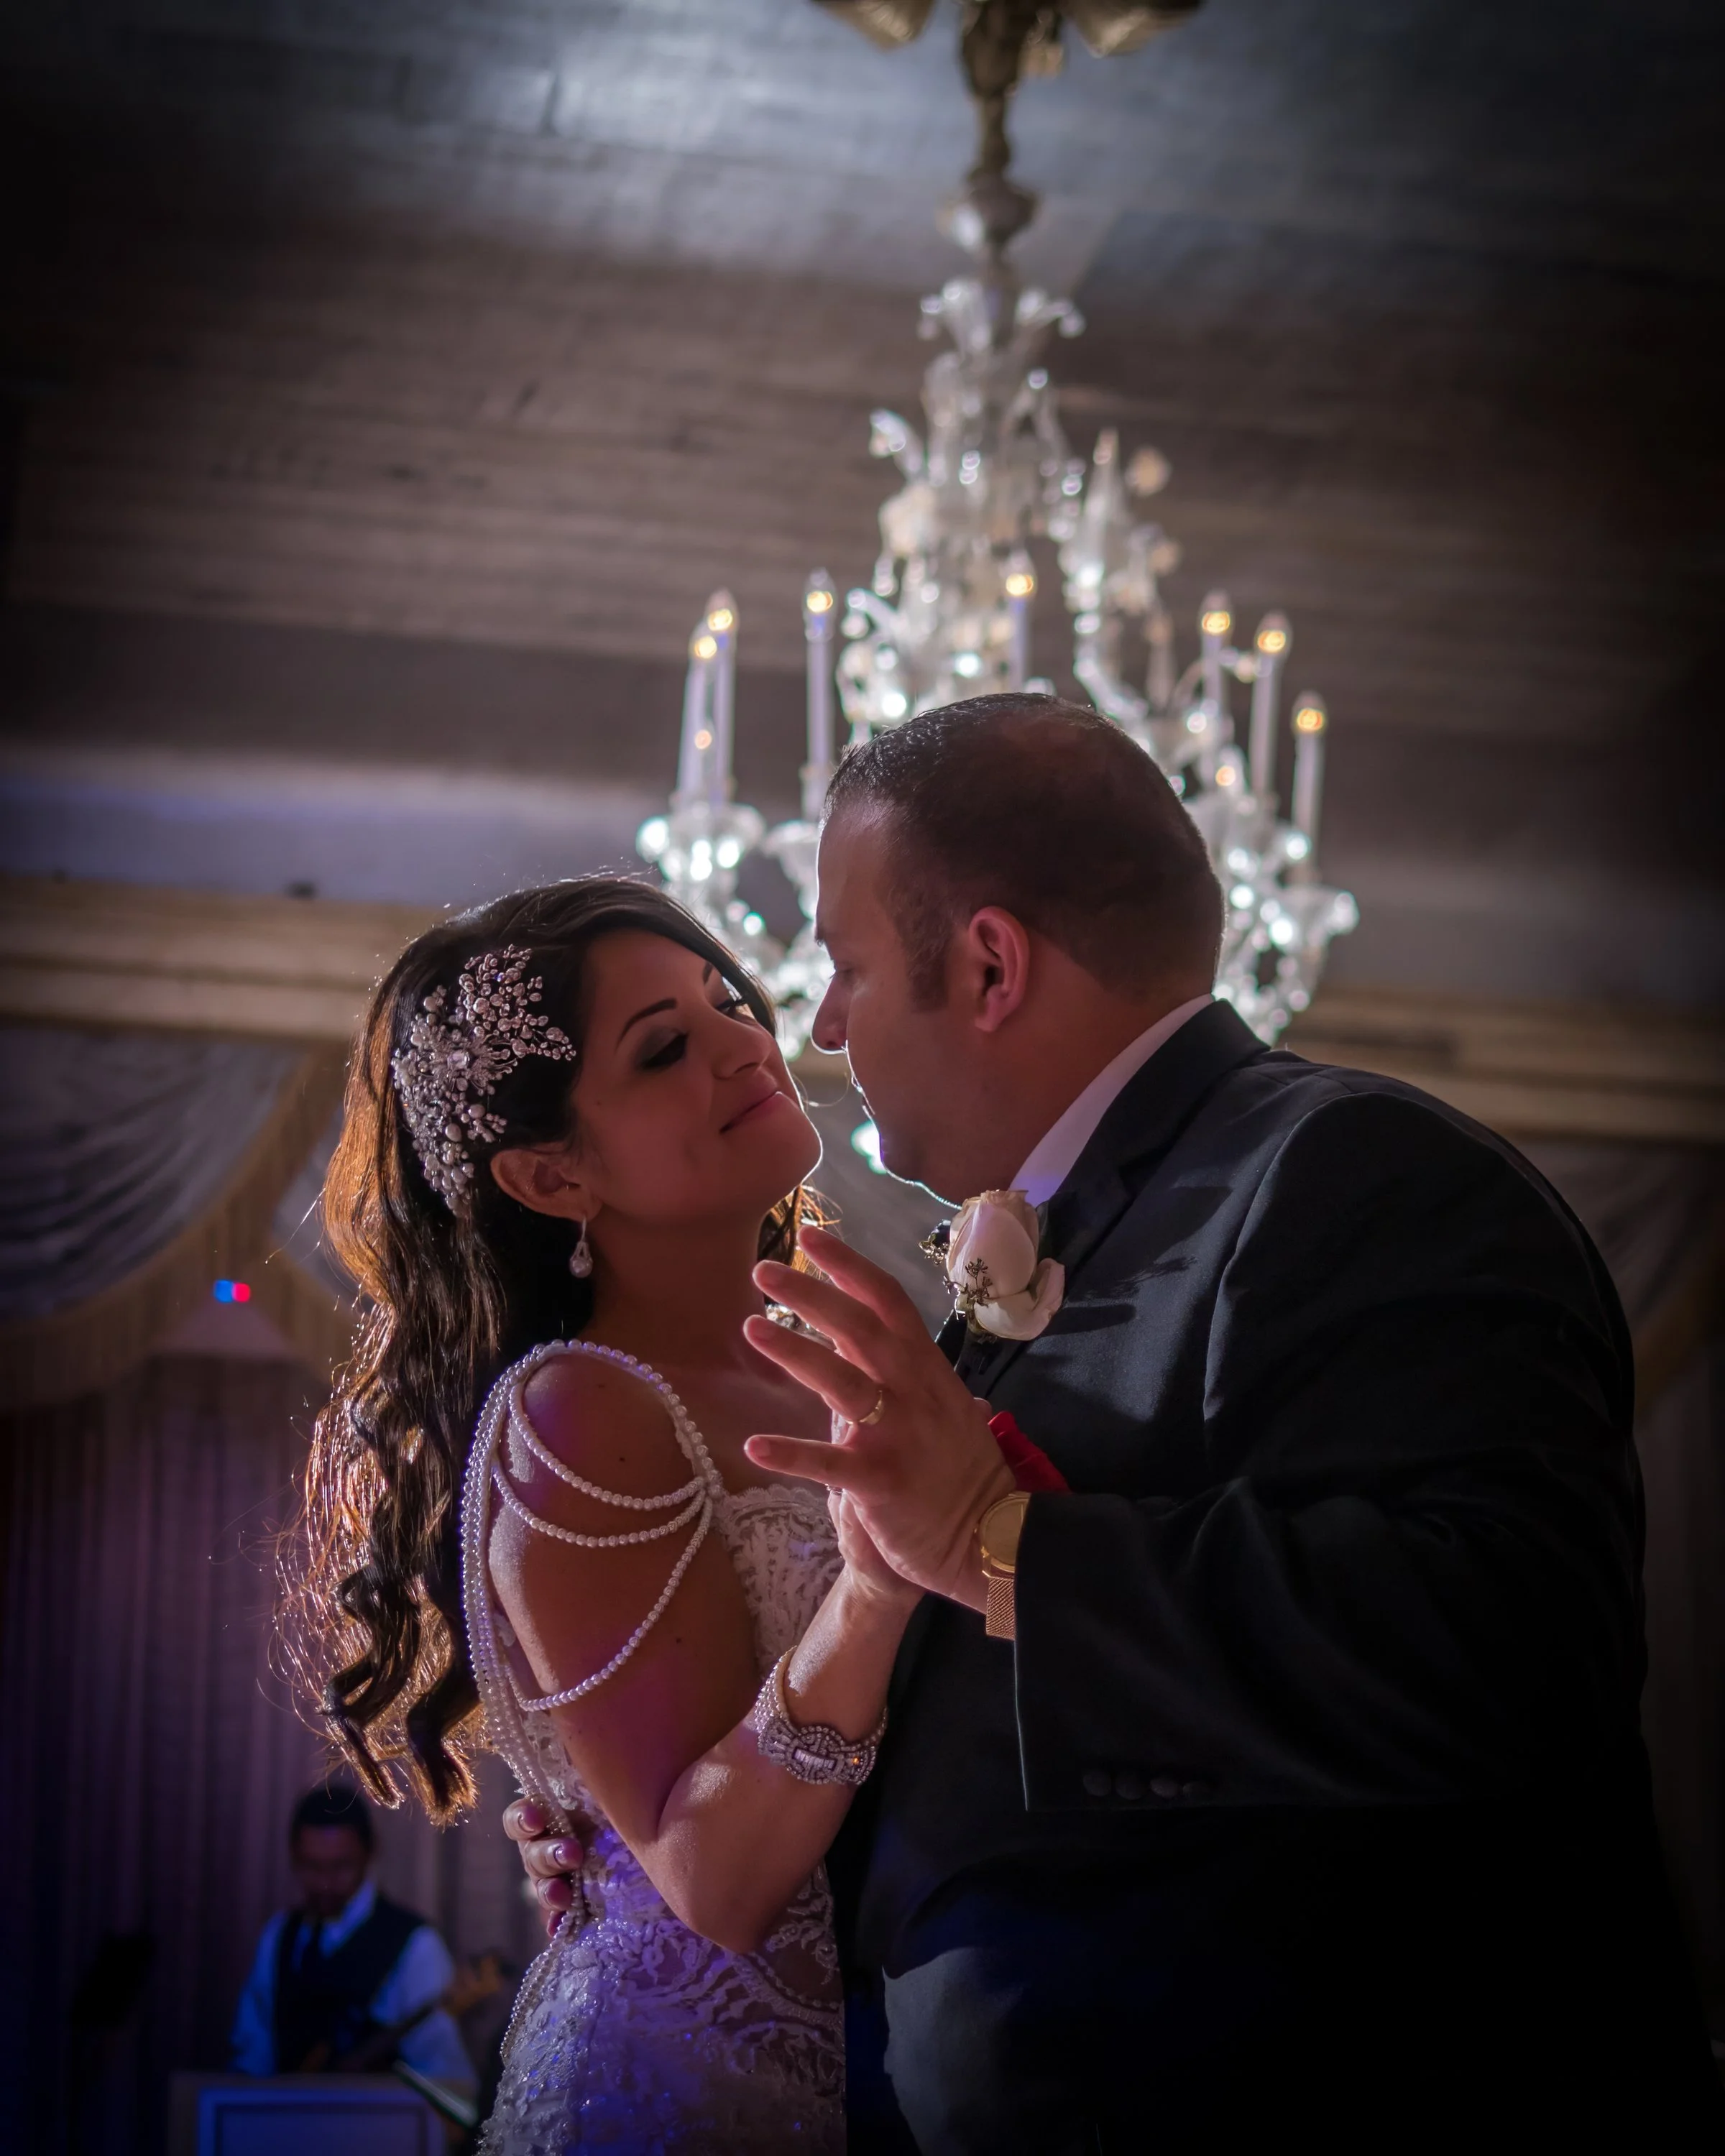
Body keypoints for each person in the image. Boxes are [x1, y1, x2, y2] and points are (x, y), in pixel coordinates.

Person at [513, 693, 1723, 2151]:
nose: (817, 1024)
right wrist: (654, 1872)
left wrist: (1002, 1544)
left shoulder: (1355, 1174)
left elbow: (1510, 1647)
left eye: (842, 968)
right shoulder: (1034, 1252)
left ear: (989, 964)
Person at [294, 877, 994, 2152]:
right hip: (686, 2090)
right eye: (666, 1048)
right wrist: (879, 1583)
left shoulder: (842, 1358)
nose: (744, 1041)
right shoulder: (581, 1411)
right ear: (553, 1173)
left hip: (910, 2058)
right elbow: (713, 1882)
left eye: (729, 1001)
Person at [231, 1784, 474, 2088]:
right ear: (294, 1857)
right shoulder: (279, 1936)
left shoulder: (416, 1945)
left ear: (370, 1853)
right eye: (311, 1867)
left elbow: (445, 2078)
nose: (325, 1883)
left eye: (340, 1867)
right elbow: (253, 2054)